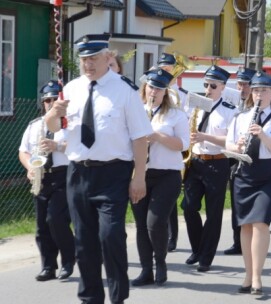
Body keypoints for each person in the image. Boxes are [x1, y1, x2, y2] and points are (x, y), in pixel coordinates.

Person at [44, 34, 152, 304]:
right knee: (84, 240)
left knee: (110, 235)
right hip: (78, 172)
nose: (88, 64)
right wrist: (53, 114)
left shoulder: (125, 90)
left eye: (93, 58)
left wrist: (139, 177)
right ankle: (90, 297)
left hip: (113, 172)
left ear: (108, 57)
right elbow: (57, 130)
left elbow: (140, 137)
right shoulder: (70, 89)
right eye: (83, 59)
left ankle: (117, 297)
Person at [226, 71, 271, 295]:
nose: (259, 95)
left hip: (269, 174)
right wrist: (239, 145)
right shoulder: (239, 118)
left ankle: (257, 278)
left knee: (261, 223)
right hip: (245, 172)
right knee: (245, 225)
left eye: (263, 90)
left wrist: (263, 136)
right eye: (255, 90)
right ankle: (247, 275)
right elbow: (229, 148)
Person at [130, 68, 190, 287]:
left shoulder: (176, 115)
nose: (153, 91)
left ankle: (161, 263)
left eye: (158, 88)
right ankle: (146, 269)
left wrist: (157, 136)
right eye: (150, 87)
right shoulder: (135, 111)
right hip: (140, 174)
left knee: (154, 222)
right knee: (140, 225)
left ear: (166, 92)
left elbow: (184, 145)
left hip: (167, 175)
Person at [182, 65, 238, 272]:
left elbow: (232, 141)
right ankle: (197, 248)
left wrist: (205, 136)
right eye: (205, 84)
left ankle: (206, 257)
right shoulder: (196, 103)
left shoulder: (231, 111)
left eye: (213, 85)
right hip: (195, 161)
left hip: (217, 162)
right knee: (188, 207)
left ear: (223, 86)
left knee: (213, 213)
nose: (208, 89)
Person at [18, 80, 75, 282]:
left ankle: (69, 260)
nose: (50, 103)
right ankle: (48, 267)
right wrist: (30, 168)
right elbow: (23, 151)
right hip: (42, 176)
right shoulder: (34, 125)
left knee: (56, 219)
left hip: (63, 174)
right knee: (42, 226)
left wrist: (56, 146)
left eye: (54, 99)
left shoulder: (69, 124)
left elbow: (79, 147)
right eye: (46, 100)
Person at [157, 53, 189, 252]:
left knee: (170, 198)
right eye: (163, 67)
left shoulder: (183, 95)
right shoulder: (153, 90)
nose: (166, 70)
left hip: (175, 145)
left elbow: (186, 118)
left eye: (169, 67)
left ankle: (172, 236)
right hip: (155, 153)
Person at [223, 66, 257, 256]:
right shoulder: (234, 105)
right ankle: (238, 241)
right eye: (240, 84)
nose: (242, 88)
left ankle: (253, 238)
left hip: (255, 160)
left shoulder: (257, 107)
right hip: (235, 159)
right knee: (237, 202)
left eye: (246, 84)